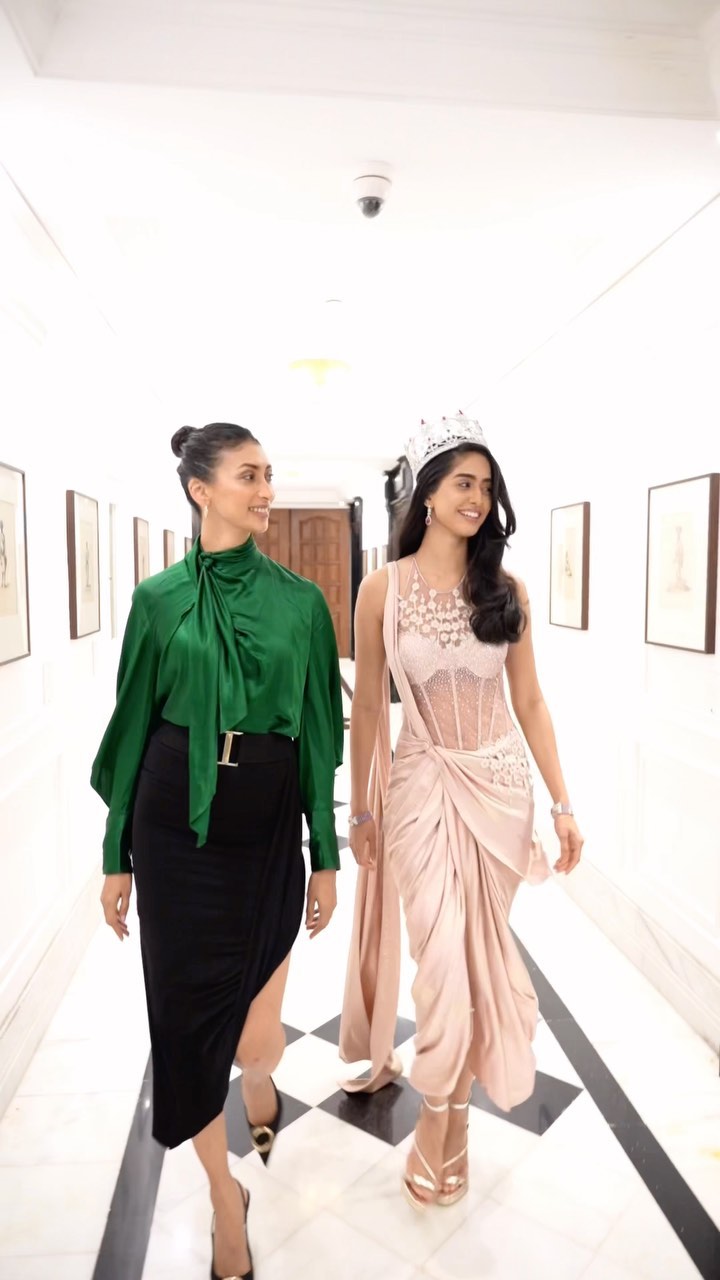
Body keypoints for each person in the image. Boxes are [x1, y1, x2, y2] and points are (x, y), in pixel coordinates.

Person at [91, 422, 344, 1279]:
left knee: (254, 1041)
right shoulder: (159, 601)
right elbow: (130, 728)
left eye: (269, 474)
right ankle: (222, 1200)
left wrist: (325, 852)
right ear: (201, 490)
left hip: (263, 824)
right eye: (249, 475)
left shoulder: (302, 605)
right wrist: (115, 854)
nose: (266, 490)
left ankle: (262, 1083)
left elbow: (319, 735)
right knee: (186, 1033)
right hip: (172, 827)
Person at [340, 413, 583, 1210]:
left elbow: (532, 701)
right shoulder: (383, 588)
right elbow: (368, 708)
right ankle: (439, 1113)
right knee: (440, 962)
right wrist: (362, 809)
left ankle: (451, 1118)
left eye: (485, 486)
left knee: (478, 963)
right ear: (428, 495)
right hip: (418, 790)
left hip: (500, 791)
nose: (476, 498)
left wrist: (563, 803)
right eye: (462, 484)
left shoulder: (506, 590)